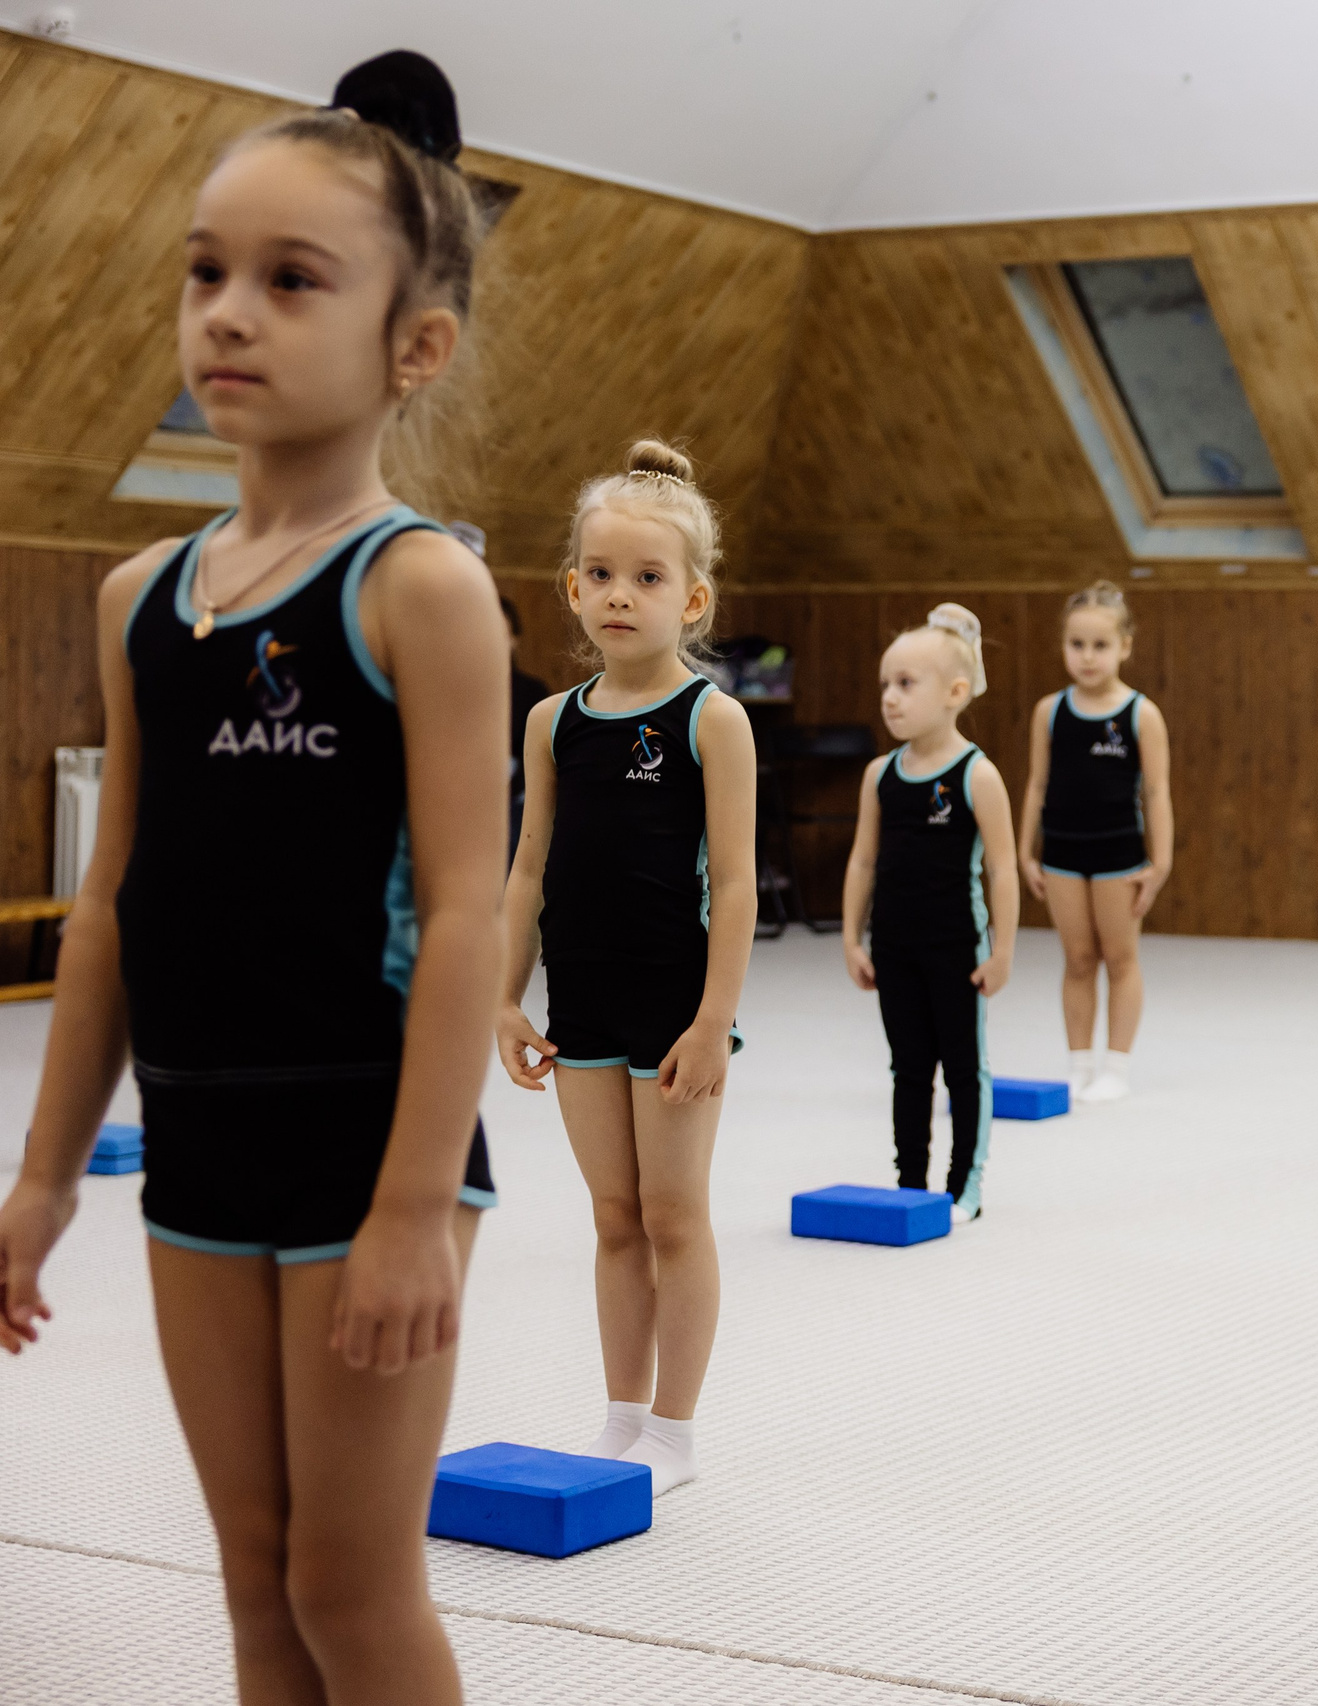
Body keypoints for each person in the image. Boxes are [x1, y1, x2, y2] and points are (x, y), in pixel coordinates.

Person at [0, 54, 507, 1704]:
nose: (229, 312)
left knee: (352, 1592)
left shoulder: (420, 589)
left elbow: (464, 915)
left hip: (368, 1143)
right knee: (252, 1588)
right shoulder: (143, 597)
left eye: (292, 282)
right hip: (203, 1146)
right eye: (205, 271)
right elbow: (115, 906)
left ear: (411, 347)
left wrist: (418, 1207)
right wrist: (45, 1178)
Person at [495, 440, 756, 1495]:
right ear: (571, 587)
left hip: (674, 1002)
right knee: (612, 1216)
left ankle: (677, 1432)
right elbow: (526, 869)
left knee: (673, 1213)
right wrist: (502, 997)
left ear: (692, 600)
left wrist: (713, 1018)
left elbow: (735, 885)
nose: (619, 595)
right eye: (600, 574)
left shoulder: (713, 719)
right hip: (582, 995)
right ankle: (621, 1414)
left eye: (647, 578)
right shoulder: (551, 722)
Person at [842, 606, 1021, 1222]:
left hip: (955, 949)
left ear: (955, 693)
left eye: (906, 685)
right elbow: (864, 862)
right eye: (886, 685)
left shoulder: (979, 776)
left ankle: (963, 1183)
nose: (890, 699)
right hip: (894, 946)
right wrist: (850, 938)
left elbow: (1002, 869)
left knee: (964, 1069)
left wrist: (1002, 952)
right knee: (909, 1068)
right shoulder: (879, 776)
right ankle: (910, 1180)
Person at [1017, 582, 1173, 1103]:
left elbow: (1156, 791)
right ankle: (1078, 1061)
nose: (1087, 657)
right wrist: (1025, 850)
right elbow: (1037, 783)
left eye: (1100, 645)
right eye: (1076, 644)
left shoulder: (1140, 715)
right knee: (1078, 958)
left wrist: (1161, 861)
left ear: (1125, 646)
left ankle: (1117, 1066)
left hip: (1118, 855)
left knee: (1120, 957)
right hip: (1061, 851)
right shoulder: (1050, 711)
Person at [497, 591, 550, 850]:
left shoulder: (532, 691)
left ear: (514, 639)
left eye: (501, 634)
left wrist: (506, 789)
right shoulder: (456, 689)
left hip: (514, 793)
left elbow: (537, 757)